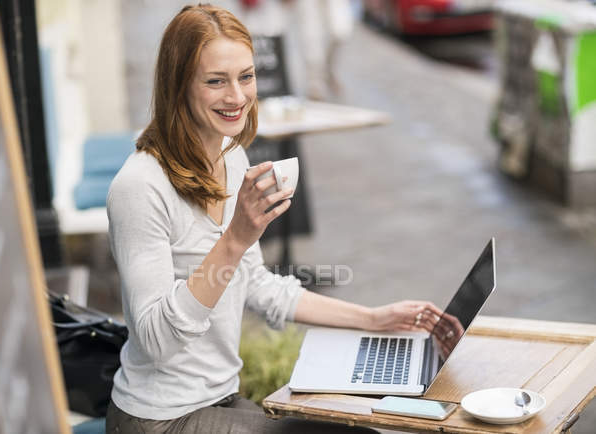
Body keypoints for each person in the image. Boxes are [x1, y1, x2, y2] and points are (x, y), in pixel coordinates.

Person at [105, 4, 443, 433]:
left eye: (246, 77)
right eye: (215, 81)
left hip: (219, 399)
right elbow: (155, 342)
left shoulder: (230, 156)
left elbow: (259, 285)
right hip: (158, 418)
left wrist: (374, 319)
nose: (237, 97)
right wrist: (235, 239)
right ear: (179, 85)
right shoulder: (140, 187)